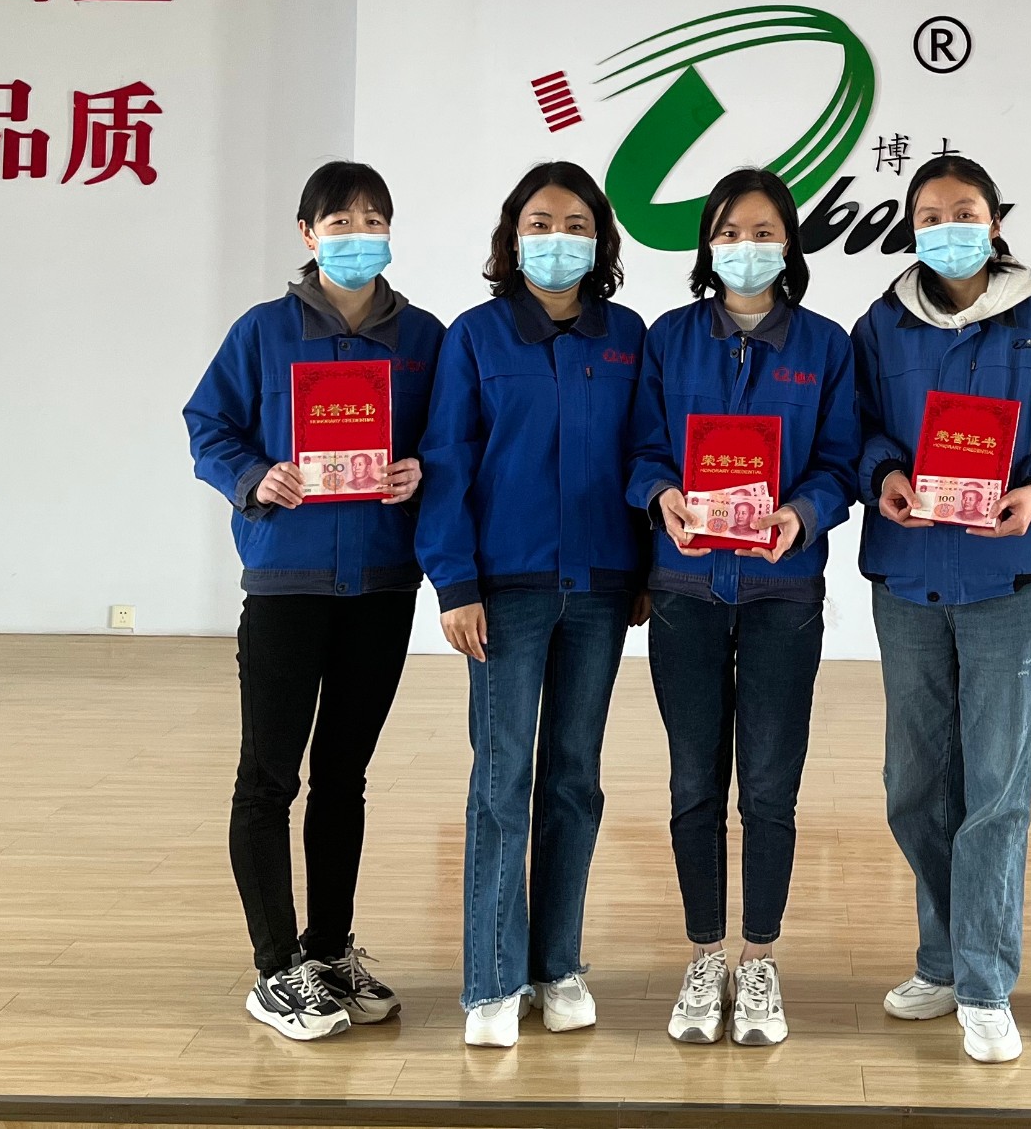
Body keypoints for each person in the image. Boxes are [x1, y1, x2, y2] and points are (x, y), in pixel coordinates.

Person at [182, 161, 441, 1042]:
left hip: (381, 584)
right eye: (339, 220)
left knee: (343, 777)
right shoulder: (263, 331)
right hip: (287, 585)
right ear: (307, 233)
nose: (357, 233)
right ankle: (274, 968)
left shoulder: (423, 338)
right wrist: (256, 476)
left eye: (373, 218)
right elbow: (208, 425)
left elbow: (452, 438)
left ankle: (328, 950)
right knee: (268, 778)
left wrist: (422, 469)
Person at [850, 153, 1031, 1064]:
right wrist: (885, 472)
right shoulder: (880, 324)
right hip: (909, 578)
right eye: (929, 213)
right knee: (914, 786)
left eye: (965, 211)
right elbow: (858, 427)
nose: (947, 226)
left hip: (1008, 581)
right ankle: (946, 957)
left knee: (996, 790)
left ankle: (984, 982)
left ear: (995, 223)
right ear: (910, 228)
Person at [416, 161, 649, 1049]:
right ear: (513, 237)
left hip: (600, 589)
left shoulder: (626, 336)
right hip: (504, 592)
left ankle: (558, 965)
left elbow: (647, 454)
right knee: (502, 778)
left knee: (573, 778)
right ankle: (491, 978)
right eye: (541, 223)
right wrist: (456, 582)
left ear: (601, 240)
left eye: (577, 224)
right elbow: (447, 463)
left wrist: (645, 569)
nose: (559, 239)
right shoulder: (475, 337)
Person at [628, 168, 861, 1049]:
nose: (746, 247)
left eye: (764, 232)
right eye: (730, 231)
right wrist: (662, 495)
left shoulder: (826, 345)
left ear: (789, 243)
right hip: (685, 590)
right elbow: (642, 448)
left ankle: (758, 956)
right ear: (707, 244)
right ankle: (703, 953)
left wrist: (802, 513)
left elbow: (840, 462)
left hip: (780, 593)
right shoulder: (668, 338)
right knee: (694, 781)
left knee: (768, 786)